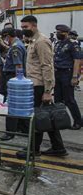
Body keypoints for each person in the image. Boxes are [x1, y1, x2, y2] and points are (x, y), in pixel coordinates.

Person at [16, 15, 67, 158]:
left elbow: (47, 67)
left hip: (39, 86)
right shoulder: (32, 41)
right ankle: (58, 147)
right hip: (34, 85)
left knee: (37, 118)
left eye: (25, 27)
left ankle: (33, 150)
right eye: (22, 27)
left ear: (34, 25)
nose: (23, 30)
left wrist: (47, 91)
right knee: (47, 116)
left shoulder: (41, 42)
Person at [0, 28, 26, 140]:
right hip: (11, 76)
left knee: (11, 104)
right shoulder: (16, 44)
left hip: (12, 77)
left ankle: (10, 132)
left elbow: (18, 66)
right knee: (16, 104)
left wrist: (16, 83)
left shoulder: (15, 47)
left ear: (7, 36)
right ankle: (20, 127)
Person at [53, 24, 81, 130]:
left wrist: (74, 77)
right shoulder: (58, 44)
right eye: (57, 32)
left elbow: (77, 61)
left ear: (66, 33)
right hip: (57, 73)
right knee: (58, 100)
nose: (58, 34)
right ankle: (61, 121)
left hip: (67, 74)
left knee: (69, 99)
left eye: (60, 32)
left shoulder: (73, 44)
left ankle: (78, 121)